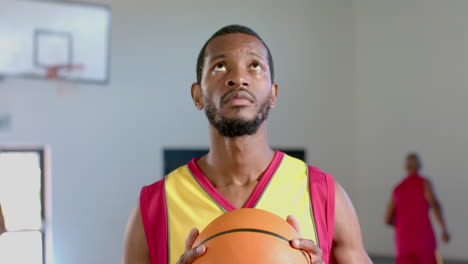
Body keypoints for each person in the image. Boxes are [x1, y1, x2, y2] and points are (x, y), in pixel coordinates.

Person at [123, 25, 371, 264]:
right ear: (198, 95)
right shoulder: (155, 204)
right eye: (220, 67)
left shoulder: (324, 193)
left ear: (273, 94)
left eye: (255, 66)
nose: (238, 78)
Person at [385, 153, 450, 264]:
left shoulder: (398, 189)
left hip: (403, 243)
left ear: (405, 167)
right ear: (419, 166)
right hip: (424, 242)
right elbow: (435, 205)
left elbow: (388, 219)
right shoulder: (424, 183)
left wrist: (403, 224)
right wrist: (443, 229)